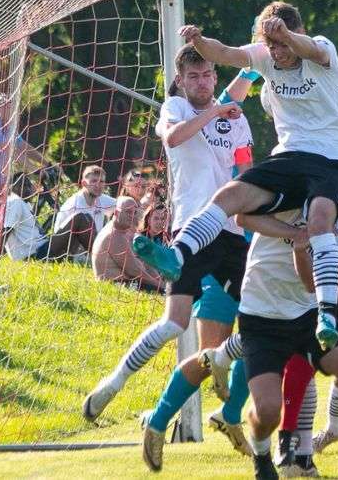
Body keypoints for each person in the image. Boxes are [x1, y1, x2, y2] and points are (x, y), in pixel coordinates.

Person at [139, 2, 338, 351]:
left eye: (283, 44)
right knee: (231, 196)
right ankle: (176, 256)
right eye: (271, 46)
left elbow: (308, 49)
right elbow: (225, 54)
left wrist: (285, 36)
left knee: (319, 221)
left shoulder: (321, 49)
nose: (277, 53)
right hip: (286, 158)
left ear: (297, 32)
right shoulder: (261, 59)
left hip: (329, 159)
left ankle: (326, 315)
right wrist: (199, 41)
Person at [82, 46, 255, 423]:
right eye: (193, 76)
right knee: (174, 323)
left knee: (261, 316)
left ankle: (229, 402)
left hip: (230, 233)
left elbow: (245, 170)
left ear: (216, 76)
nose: (202, 82)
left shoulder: (236, 120)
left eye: (207, 75)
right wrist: (215, 111)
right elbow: (174, 138)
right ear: (180, 80)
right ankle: (113, 384)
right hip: (192, 228)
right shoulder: (176, 108)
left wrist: (254, 214)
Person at [234, 208, 338, 480]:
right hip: (262, 315)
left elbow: (310, 284)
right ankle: (262, 455)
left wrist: (300, 248)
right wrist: (295, 232)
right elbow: (242, 217)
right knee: (268, 411)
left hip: (309, 315)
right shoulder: (289, 193)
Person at [91, 197, 163, 290]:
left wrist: (159, 280)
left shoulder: (124, 230)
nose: (132, 216)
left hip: (126, 281)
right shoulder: (114, 235)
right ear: (116, 213)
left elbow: (145, 261)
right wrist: (161, 286)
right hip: (117, 284)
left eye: (134, 212)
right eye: (128, 212)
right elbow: (134, 271)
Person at [51, 165, 115, 263]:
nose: (98, 185)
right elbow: (61, 238)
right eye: (94, 181)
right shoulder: (74, 204)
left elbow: (122, 205)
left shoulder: (101, 199)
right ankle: (105, 260)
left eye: (101, 182)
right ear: (84, 183)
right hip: (67, 251)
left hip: (90, 250)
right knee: (82, 219)